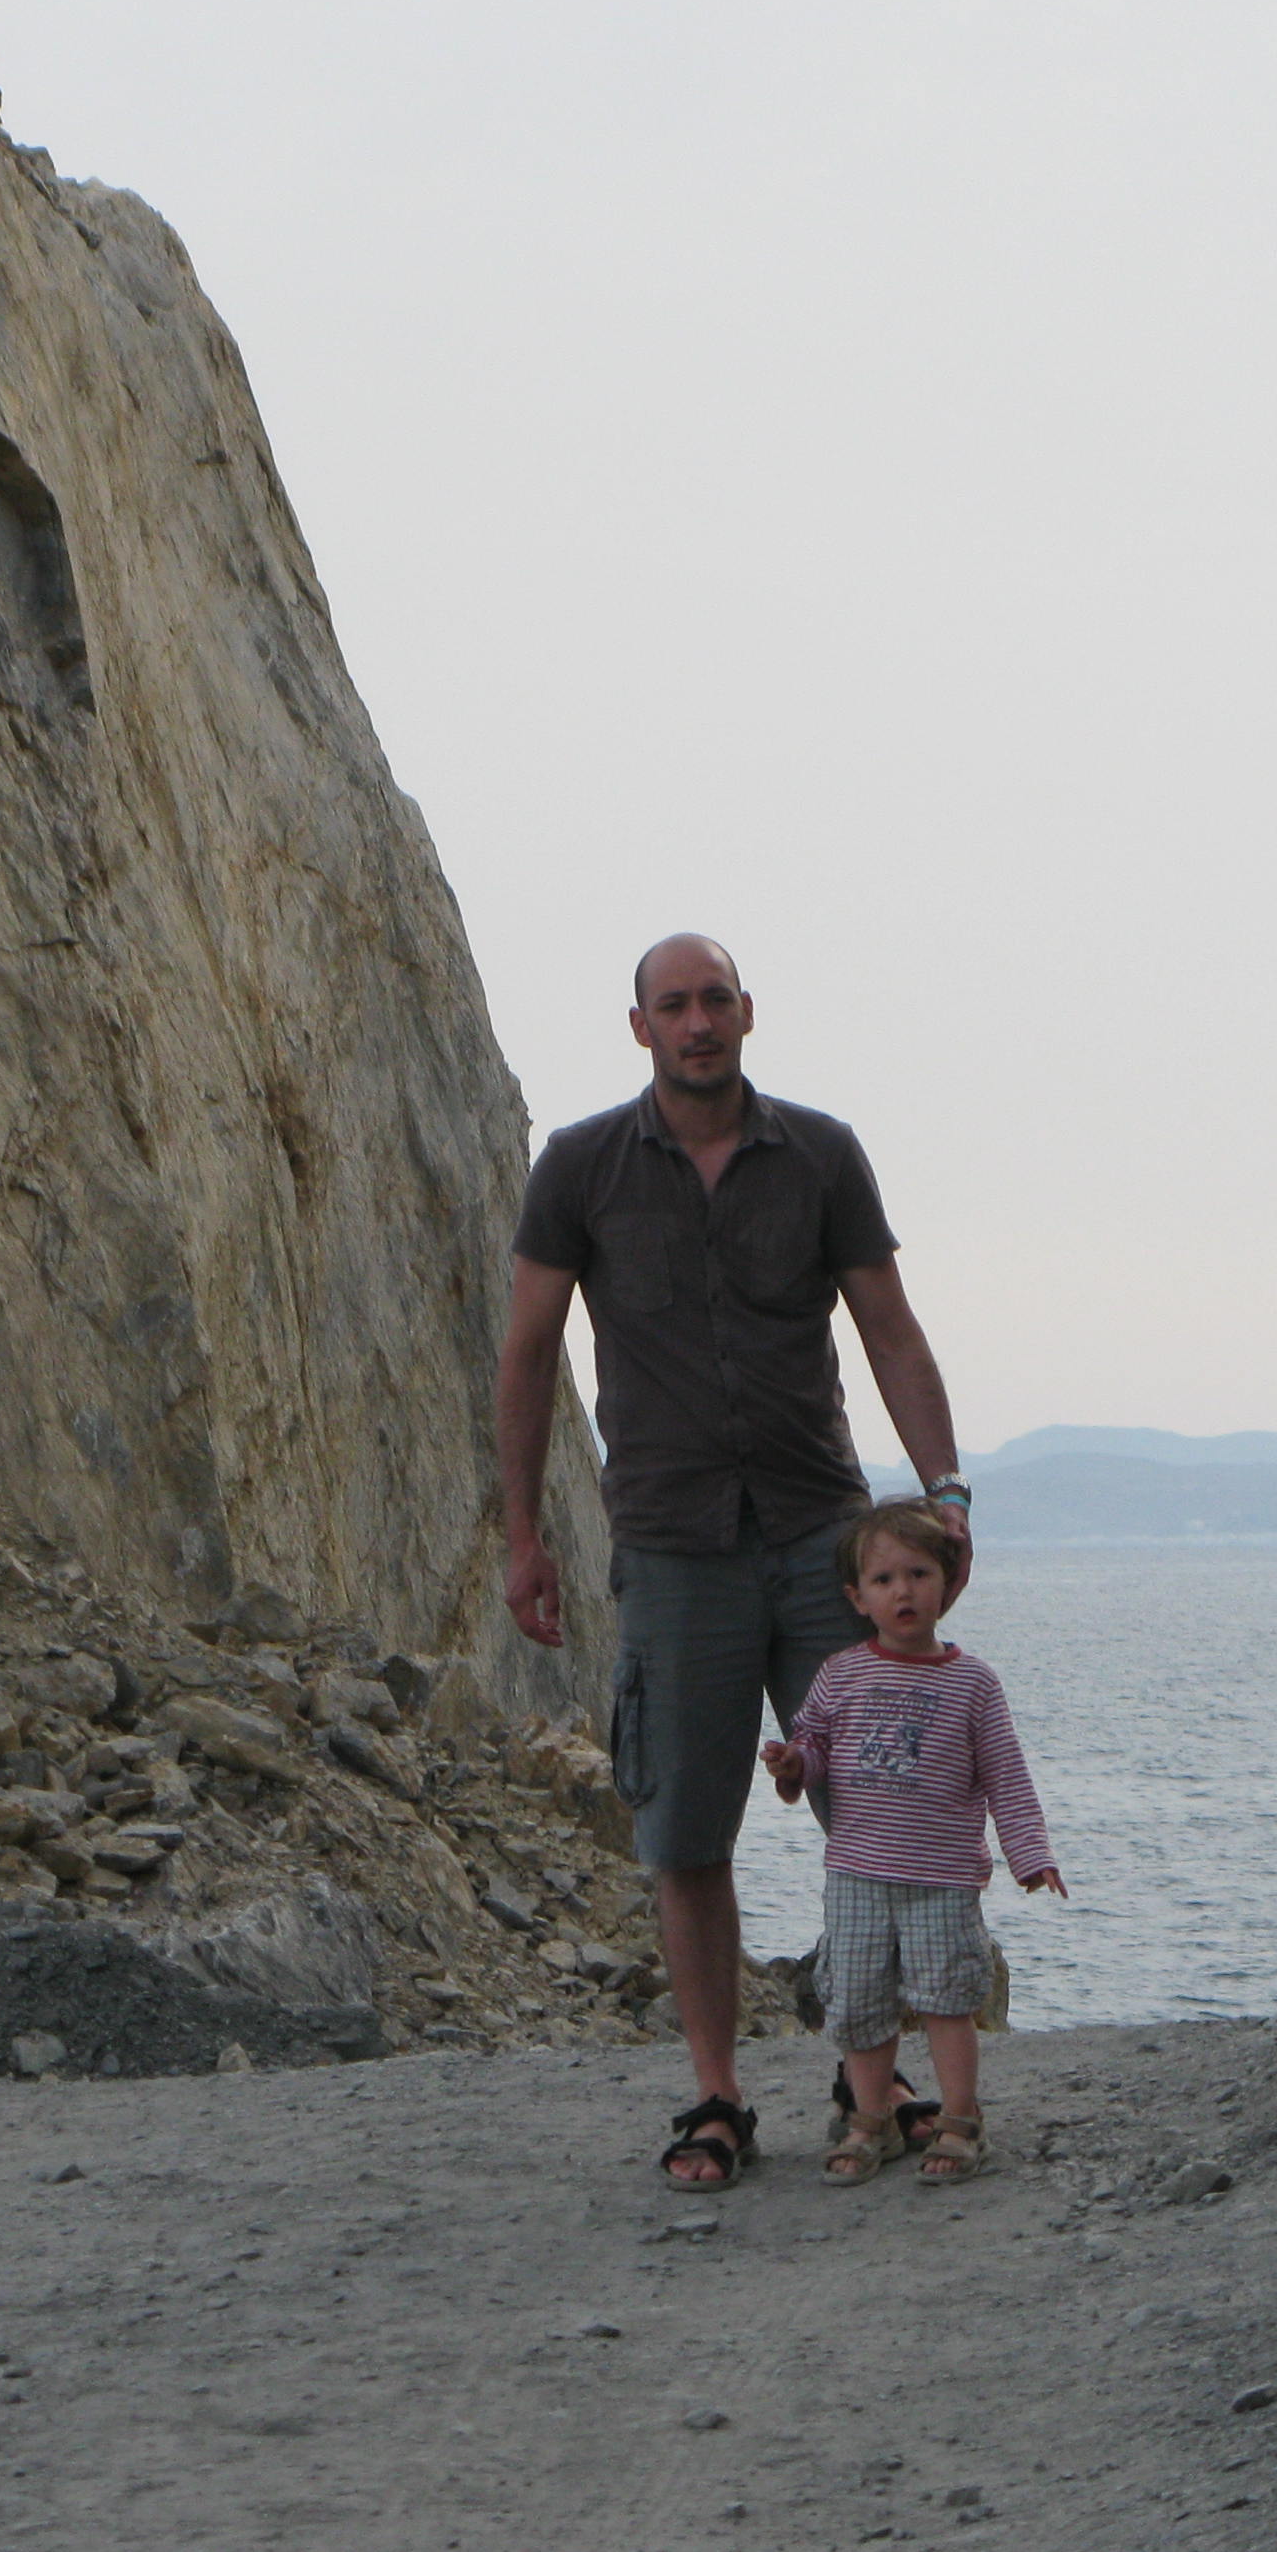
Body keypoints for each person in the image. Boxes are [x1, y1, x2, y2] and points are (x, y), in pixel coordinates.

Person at [493, 934, 972, 2190]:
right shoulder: (581, 1168)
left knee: (875, 1813)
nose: (697, 1022)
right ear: (639, 1027)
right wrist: (523, 1538)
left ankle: (872, 2076)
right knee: (684, 1830)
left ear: (748, 1012)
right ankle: (716, 2097)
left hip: (824, 1541)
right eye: (674, 1005)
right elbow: (528, 1351)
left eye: (714, 1000)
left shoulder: (819, 1154)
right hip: (672, 1547)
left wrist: (944, 1492)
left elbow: (889, 1330)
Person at [761, 1501, 1063, 2185]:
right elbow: (815, 1746)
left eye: (919, 1574)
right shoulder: (841, 1673)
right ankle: (871, 2119)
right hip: (857, 1876)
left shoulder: (973, 1683)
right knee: (858, 2003)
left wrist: (1030, 1854)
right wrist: (793, 1765)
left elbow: (1006, 1774)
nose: (904, 1591)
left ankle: (959, 2118)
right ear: (857, 1598)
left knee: (947, 2000)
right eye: (884, 1579)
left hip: (941, 1880)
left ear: (947, 1583)